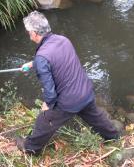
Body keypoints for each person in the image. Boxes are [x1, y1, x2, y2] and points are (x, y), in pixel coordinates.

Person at [16, 10, 119, 155]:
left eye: (28, 32)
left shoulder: (42, 57)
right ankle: (113, 136)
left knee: (44, 121)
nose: (28, 34)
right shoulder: (62, 40)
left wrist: (47, 106)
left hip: (68, 101)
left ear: (34, 33)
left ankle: (30, 148)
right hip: (85, 92)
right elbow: (57, 59)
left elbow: (50, 94)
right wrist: (33, 63)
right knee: (95, 117)